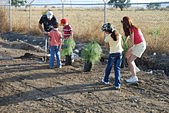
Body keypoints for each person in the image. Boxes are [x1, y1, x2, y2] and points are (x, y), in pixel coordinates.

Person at [121, 16, 146, 83]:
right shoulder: (132, 28)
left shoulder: (132, 29)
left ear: (125, 24)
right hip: (138, 44)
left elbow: (131, 43)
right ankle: (135, 69)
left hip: (140, 45)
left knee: (129, 61)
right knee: (127, 57)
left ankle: (134, 77)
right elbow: (128, 37)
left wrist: (128, 50)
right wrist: (124, 42)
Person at [101, 23, 123, 90]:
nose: (105, 32)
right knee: (117, 68)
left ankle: (106, 80)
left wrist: (110, 50)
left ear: (107, 31)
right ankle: (117, 84)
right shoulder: (119, 35)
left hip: (112, 54)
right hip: (120, 53)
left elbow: (107, 47)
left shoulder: (107, 38)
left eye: (105, 31)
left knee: (109, 67)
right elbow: (121, 43)